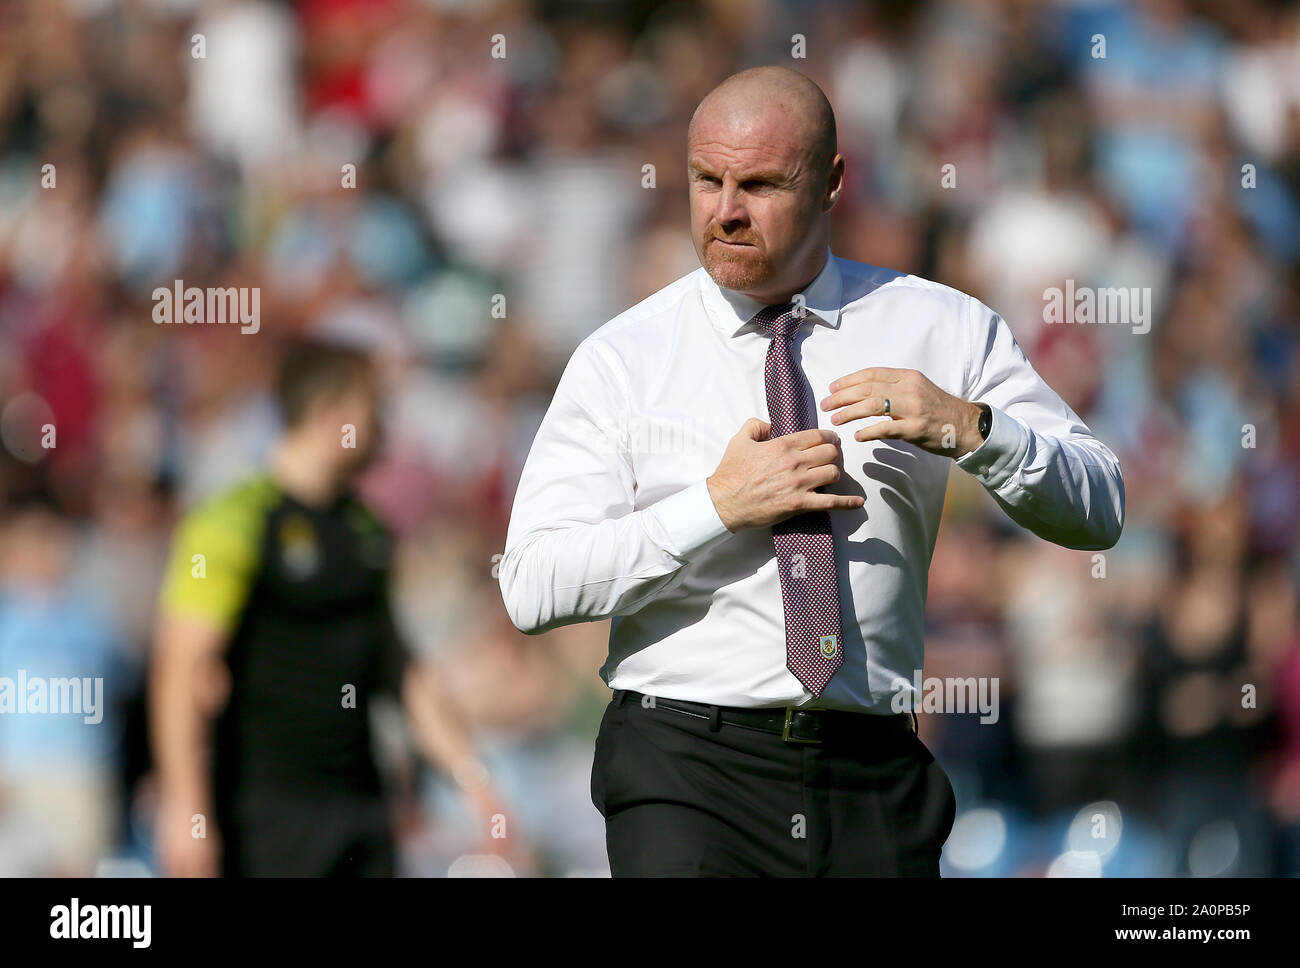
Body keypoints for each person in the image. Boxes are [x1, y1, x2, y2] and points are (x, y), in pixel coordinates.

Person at [498, 66, 1125, 876]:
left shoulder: (939, 326)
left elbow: (1100, 504)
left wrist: (973, 428)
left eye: (758, 183)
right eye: (705, 180)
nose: (725, 209)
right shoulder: (622, 358)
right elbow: (532, 586)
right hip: (685, 765)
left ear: (832, 182)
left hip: (871, 775)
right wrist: (717, 506)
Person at [151, 340, 511, 876]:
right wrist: (185, 809)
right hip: (262, 815)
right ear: (332, 414)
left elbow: (402, 669)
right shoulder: (233, 521)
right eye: (375, 411)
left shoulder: (366, 529)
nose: (385, 430)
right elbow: (180, 669)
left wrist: (476, 784)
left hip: (361, 814)